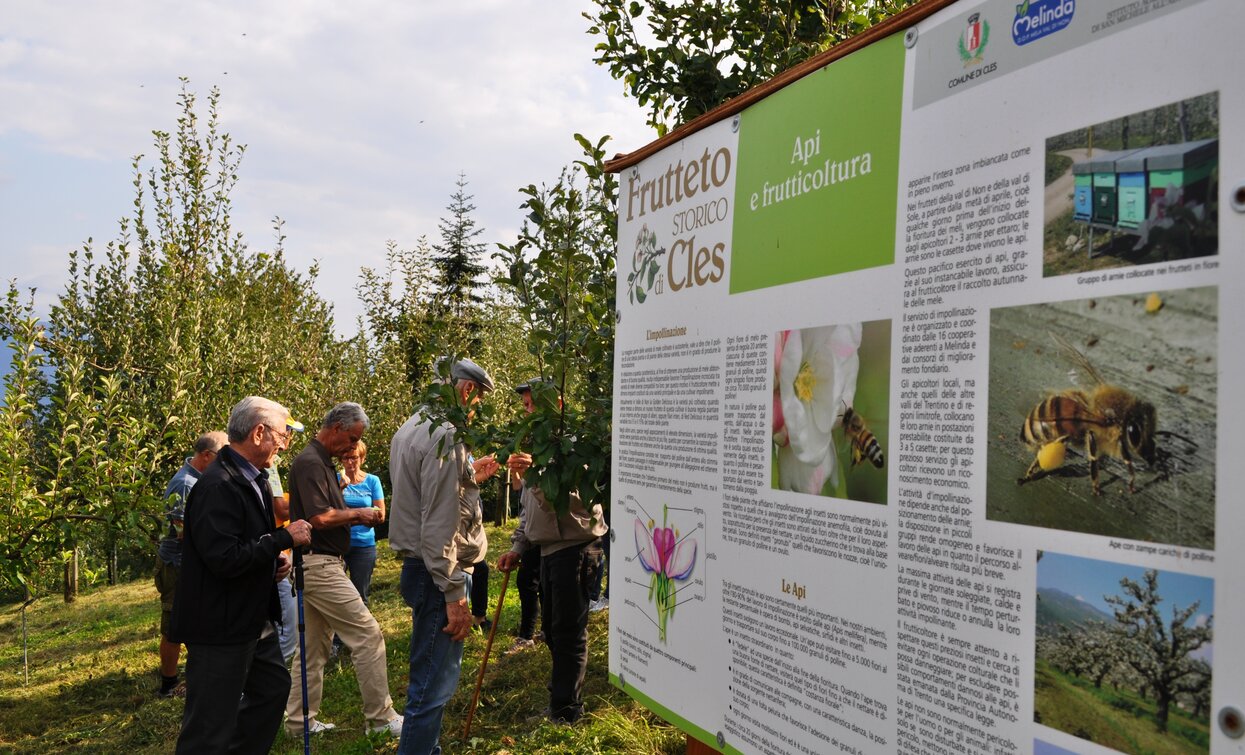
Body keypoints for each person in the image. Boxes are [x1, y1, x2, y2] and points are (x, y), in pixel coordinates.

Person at [172, 397, 312, 754]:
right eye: (282, 435)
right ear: (259, 432)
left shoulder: (256, 478)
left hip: (251, 617)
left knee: (272, 690)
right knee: (209, 725)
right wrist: (283, 538)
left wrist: (272, 560)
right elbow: (224, 558)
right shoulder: (217, 485)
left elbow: (247, 542)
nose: (284, 444)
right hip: (219, 625)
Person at [389, 357, 500, 754]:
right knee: (432, 688)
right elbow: (438, 524)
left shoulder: (413, 426)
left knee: (428, 677)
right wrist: (455, 593)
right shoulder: (445, 436)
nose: (476, 410)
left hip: (423, 568)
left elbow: (425, 496)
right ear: (467, 390)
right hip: (440, 574)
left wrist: (469, 474)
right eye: (478, 401)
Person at [285, 402, 403, 737]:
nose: (353, 446)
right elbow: (319, 518)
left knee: (313, 650)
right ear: (335, 427)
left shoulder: (321, 462)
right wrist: (358, 514)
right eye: (351, 438)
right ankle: (381, 720)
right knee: (367, 635)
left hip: (315, 563)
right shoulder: (310, 462)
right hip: (320, 563)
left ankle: (298, 724)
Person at [498, 379, 608, 725]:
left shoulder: (574, 448)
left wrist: (533, 475)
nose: (529, 412)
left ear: (557, 405)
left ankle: (566, 711)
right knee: (551, 628)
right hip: (548, 551)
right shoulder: (536, 448)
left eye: (535, 405)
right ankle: (562, 698)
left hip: (575, 548)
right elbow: (529, 508)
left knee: (568, 631)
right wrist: (519, 546)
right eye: (526, 406)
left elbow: (571, 507)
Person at [155, 431, 227, 698]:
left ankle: (198, 676)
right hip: (176, 564)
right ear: (207, 456)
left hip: (189, 562)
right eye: (223, 455)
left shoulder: (200, 479)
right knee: (174, 624)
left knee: (193, 621)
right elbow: (181, 529)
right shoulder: (186, 484)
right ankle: (169, 683)